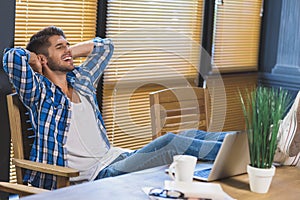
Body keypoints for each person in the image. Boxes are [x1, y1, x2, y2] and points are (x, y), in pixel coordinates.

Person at [3, 26, 232, 190]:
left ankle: (246, 144)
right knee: (173, 143)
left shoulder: (81, 82)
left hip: (114, 158)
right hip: (95, 176)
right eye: (59, 47)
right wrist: (34, 60)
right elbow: (11, 59)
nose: (68, 50)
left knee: (188, 134)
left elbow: (106, 47)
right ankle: (244, 156)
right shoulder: (40, 93)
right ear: (43, 58)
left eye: (68, 45)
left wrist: (69, 51)